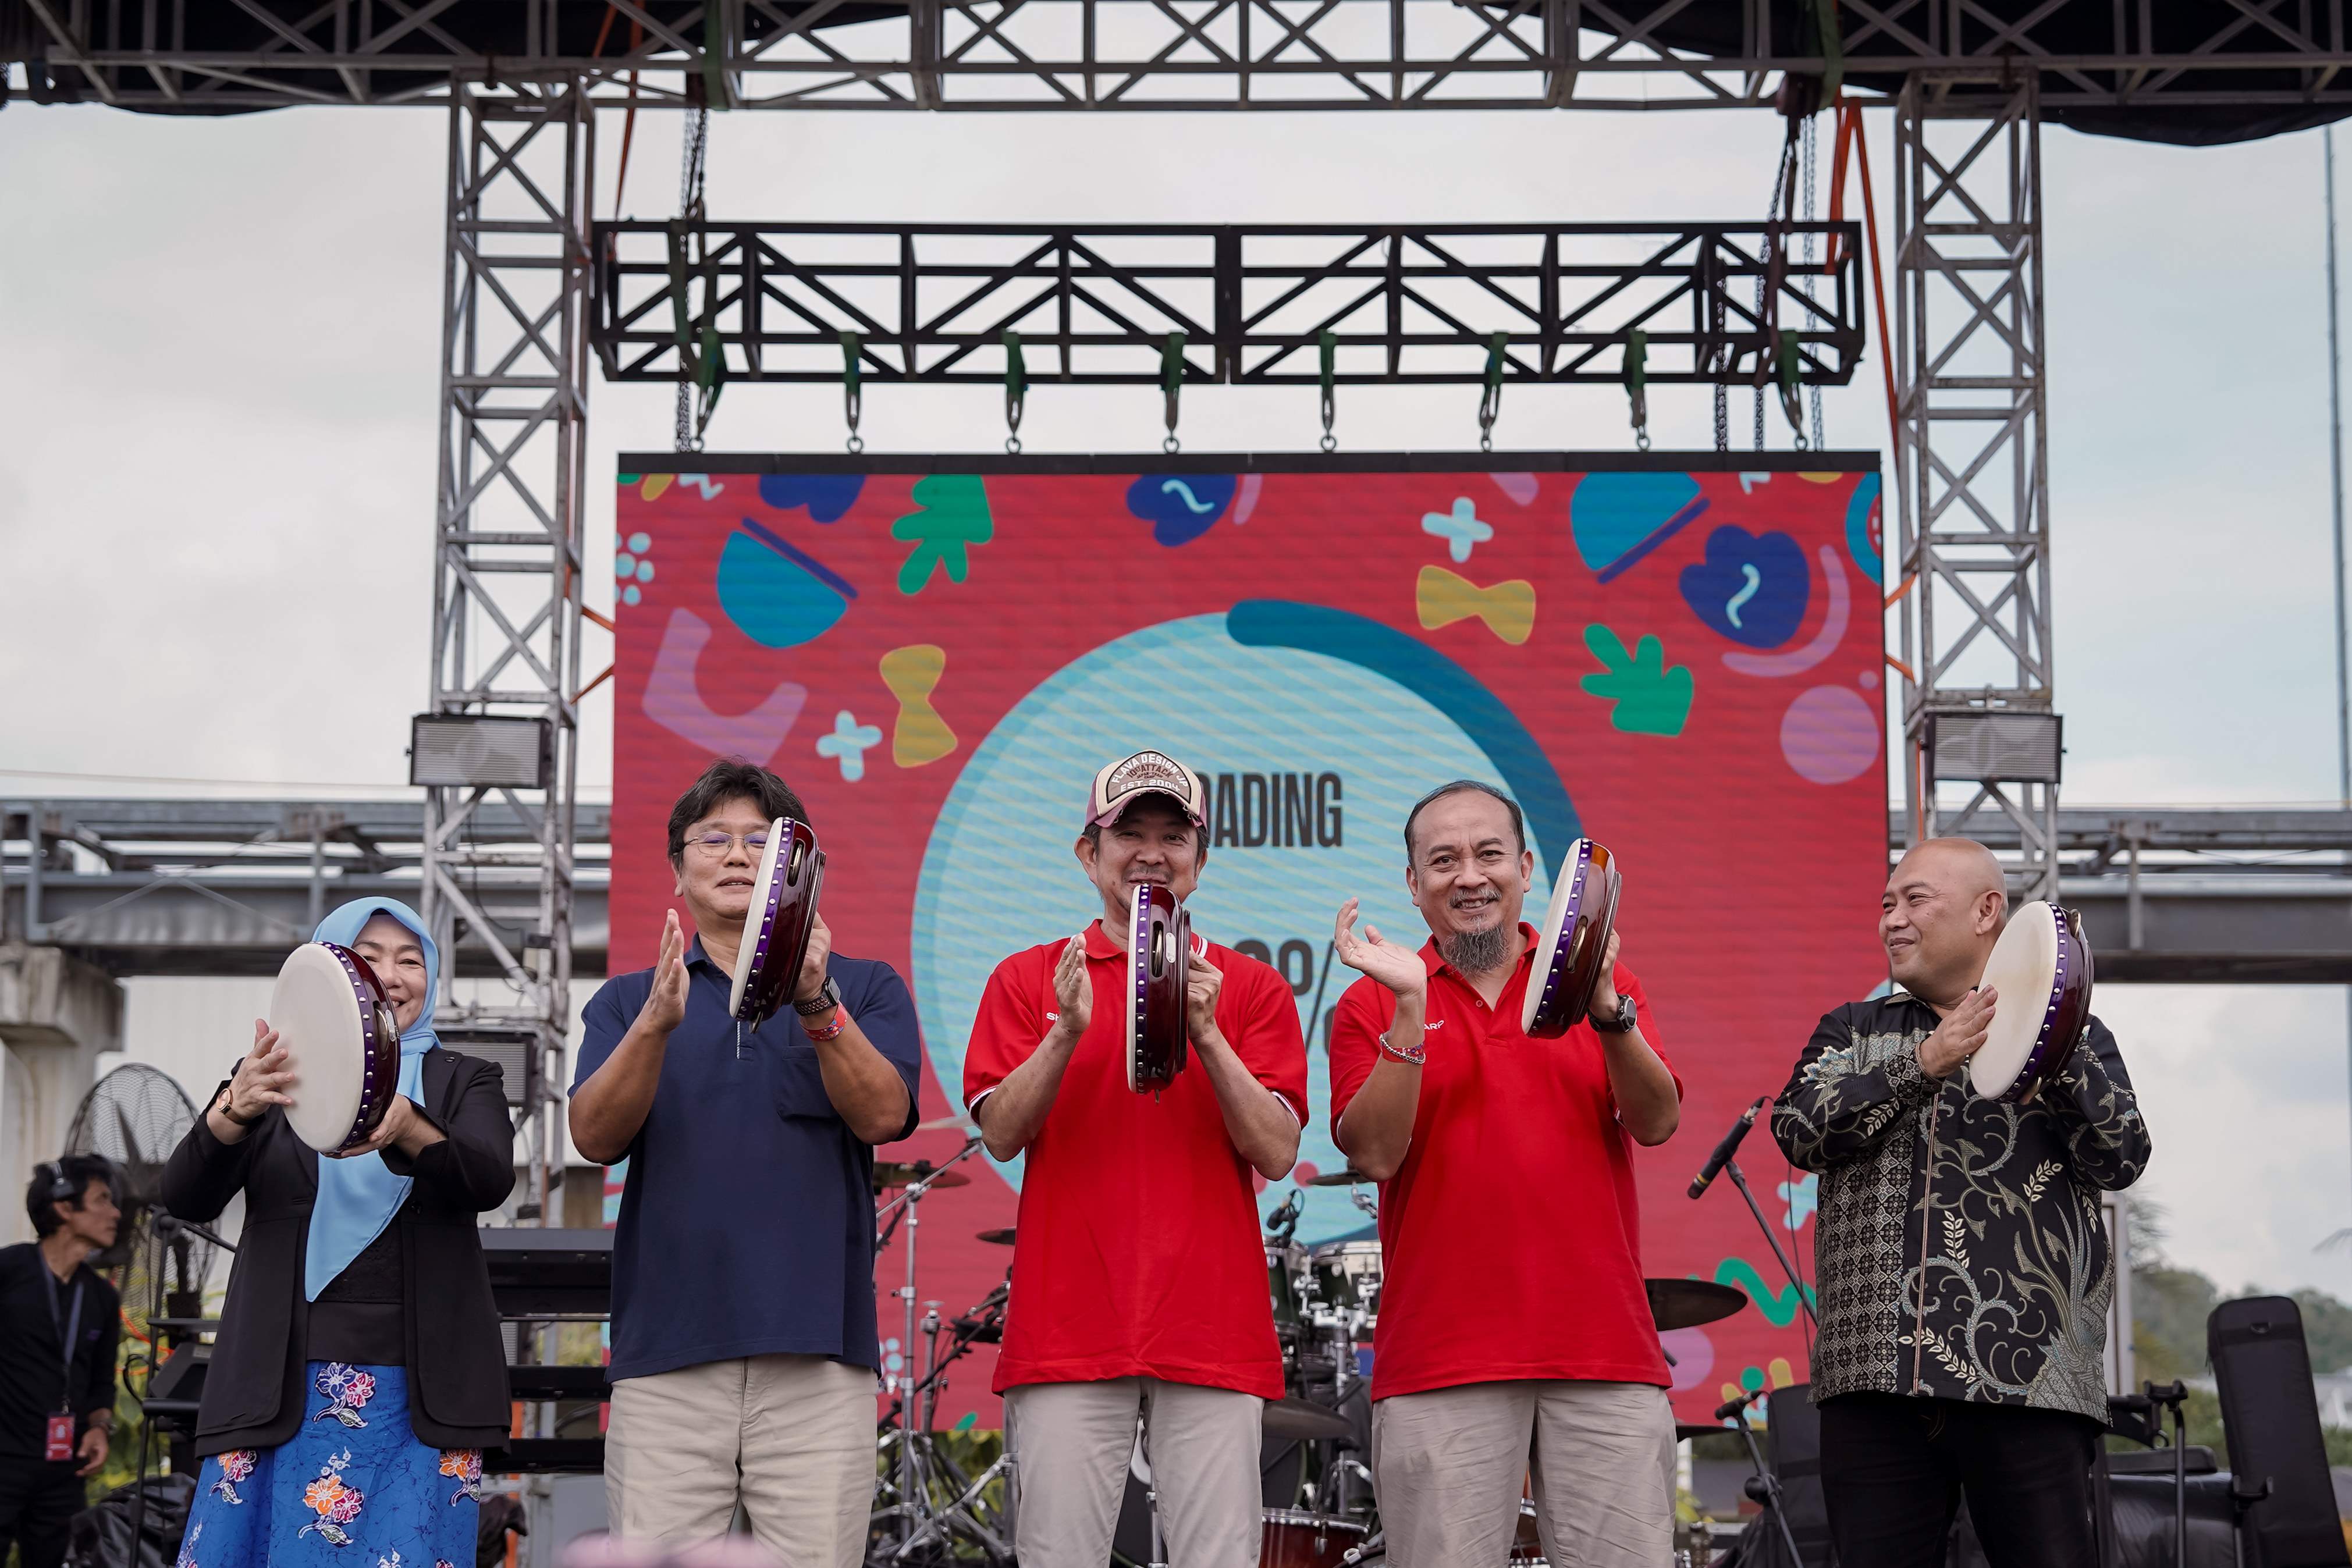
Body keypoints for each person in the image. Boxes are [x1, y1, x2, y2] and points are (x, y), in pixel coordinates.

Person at [570, 758, 922, 1565]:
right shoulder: (629, 999)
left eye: (761, 841)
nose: (736, 855)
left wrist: (815, 1000)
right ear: (677, 865)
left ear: (800, 871)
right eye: (714, 838)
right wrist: (654, 1028)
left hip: (818, 1361)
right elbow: (593, 1136)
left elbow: (883, 1112)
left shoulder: (863, 987)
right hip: (666, 1359)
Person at [963, 749, 1308, 1568]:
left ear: (1200, 858)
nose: (1151, 852)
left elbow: (1276, 1147)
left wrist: (1208, 1032)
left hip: (1211, 1328)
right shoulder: (1028, 977)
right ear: (1089, 853)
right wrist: (1066, 1029)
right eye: (1129, 833)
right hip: (1067, 1329)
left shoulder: (1248, 985)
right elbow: (1002, 1133)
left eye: (1172, 835)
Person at [1327, 780, 1682, 1568]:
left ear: (1525, 867)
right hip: (1440, 1359)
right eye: (1443, 859)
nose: (1469, 875)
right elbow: (1374, 1152)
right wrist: (1410, 1011)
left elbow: (1656, 1122)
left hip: (1602, 1352)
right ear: (1413, 885)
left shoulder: (1601, 987)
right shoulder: (1369, 1001)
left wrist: (1608, 1008)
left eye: (1489, 853)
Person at [1770, 837, 2151, 1568]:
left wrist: (2060, 1062)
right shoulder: (1853, 1031)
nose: (1893, 920)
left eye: (1915, 899)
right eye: (1886, 904)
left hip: (2032, 1379)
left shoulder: (2076, 1035)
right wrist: (1922, 1064)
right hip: (1874, 1379)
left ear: (1986, 912)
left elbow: (2123, 1155)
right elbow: (1797, 1128)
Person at [166, 895, 516, 1565]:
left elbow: (489, 1179)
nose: (392, 975)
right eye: (369, 958)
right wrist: (233, 1109)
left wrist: (410, 1124)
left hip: (422, 1390)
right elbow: (185, 1195)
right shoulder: (269, 1081)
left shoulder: (464, 1078)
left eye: (411, 960)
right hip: (276, 1382)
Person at [0, 1157, 120, 1568]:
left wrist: (100, 1428)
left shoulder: (103, 1296)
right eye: (102, 1199)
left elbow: (103, 1382)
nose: (118, 1211)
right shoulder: (8, 1270)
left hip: (62, 1469)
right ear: (64, 1208)